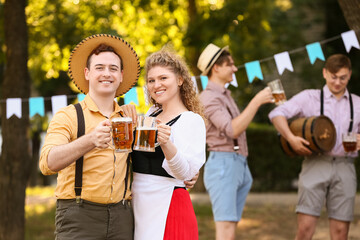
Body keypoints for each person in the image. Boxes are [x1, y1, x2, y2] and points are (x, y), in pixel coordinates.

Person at [39, 34, 141, 240]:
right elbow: (47, 163)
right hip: (78, 217)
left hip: (122, 218)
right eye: (99, 68)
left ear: (121, 75)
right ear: (87, 73)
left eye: (113, 69)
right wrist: (90, 140)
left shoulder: (129, 116)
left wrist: (184, 173)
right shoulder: (68, 115)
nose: (107, 74)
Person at [268, 54, 360, 240]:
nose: (337, 82)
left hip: (345, 166)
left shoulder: (358, 103)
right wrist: (291, 138)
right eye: (333, 76)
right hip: (315, 163)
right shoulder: (309, 97)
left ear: (349, 75)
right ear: (324, 73)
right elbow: (277, 113)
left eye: (342, 77)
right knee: (305, 229)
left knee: (341, 232)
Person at [197, 43, 273, 240]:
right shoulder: (208, 98)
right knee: (225, 231)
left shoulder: (224, 95)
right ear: (216, 68)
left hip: (237, 163)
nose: (235, 68)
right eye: (230, 64)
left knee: (231, 227)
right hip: (223, 164)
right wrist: (256, 101)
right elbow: (233, 129)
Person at [130, 48, 206, 240]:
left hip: (170, 205)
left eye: (163, 78)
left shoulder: (192, 120)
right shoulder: (149, 114)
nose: (157, 85)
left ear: (180, 80)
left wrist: (166, 143)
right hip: (139, 206)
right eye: (151, 80)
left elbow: (185, 174)